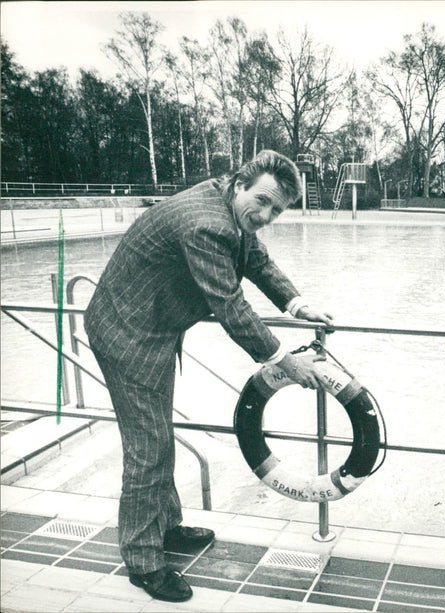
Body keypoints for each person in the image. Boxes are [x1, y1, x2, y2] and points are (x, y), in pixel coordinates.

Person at [84, 150, 332, 602]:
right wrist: (285, 362)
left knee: (157, 435)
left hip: (152, 325)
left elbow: (257, 261)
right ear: (240, 183)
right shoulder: (205, 224)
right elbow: (231, 305)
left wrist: (297, 304)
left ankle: (166, 528)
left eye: (277, 210)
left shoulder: (229, 208)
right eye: (262, 202)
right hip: (128, 332)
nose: (266, 215)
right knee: (148, 447)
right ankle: (143, 561)